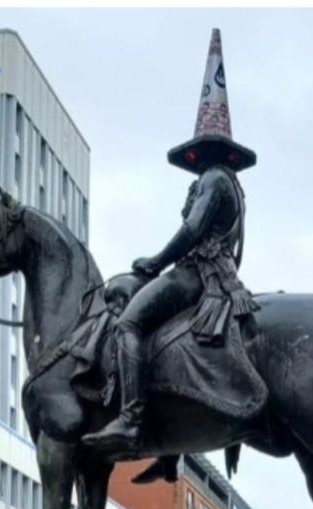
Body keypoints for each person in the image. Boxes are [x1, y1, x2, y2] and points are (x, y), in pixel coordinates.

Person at [84, 28, 258, 458]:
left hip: (199, 276)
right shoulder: (231, 184)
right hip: (214, 275)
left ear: (206, 149)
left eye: (199, 151)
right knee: (166, 340)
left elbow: (192, 232)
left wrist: (155, 260)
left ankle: (132, 418)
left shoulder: (214, 180)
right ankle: (168, 453)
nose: (196, 159)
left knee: (129, 324)